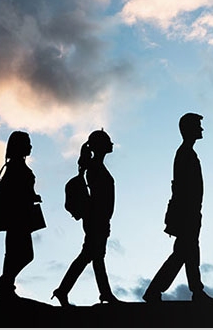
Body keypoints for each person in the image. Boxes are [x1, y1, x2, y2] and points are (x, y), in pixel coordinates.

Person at [143, 113, 213, 303]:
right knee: (186, 253)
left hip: (190, 212)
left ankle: (192, 291)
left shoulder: (187, 153)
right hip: (188, 213)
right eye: (198, 126)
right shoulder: (185, 153)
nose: (201, 129)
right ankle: (191, 291)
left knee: (186, 253)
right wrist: (189, 212)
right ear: (189, 129)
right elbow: (182, 188)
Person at [52, 130, 121, 306]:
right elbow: (100, 197)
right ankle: (64, 290)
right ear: (100, 145)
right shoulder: (95, 167)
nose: (111, 144)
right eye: (108, 141)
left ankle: (103, 293)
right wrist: (103, 219)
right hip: (96, 219)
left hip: (99, 218)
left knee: (95, 257)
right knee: (89, 256)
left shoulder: (94, 165)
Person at [0, 131, 43, 300]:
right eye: (27, 143)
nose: (30, 146)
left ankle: (5, 286)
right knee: (22, 254)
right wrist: (30, 196)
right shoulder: (15, 168)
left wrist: (32, 196)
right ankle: (4, 285)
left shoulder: (15, 166)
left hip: (20, 217)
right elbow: (14, 193)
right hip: (17, 218)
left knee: (15, 254)